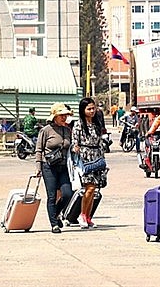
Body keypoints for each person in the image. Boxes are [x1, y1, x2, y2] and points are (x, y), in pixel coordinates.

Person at [35, 103, 73, 233]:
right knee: (52, 196)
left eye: (65, 115)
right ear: (54, 116)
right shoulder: (46, 130)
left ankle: (55, 214)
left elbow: (70, 146)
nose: (64, 118)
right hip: (49, 167)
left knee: (68, 194)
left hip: (63, 167)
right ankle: (54, 224)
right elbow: (39, 149)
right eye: (61, 115)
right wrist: (38, 166)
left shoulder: (67, 130)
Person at [72, 97, 108, 229]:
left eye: (93, 108)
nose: (92, 111)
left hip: (97, 156)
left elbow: (100, 142)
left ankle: (88, 216)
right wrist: (76, 150)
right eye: (89, 109)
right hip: (85, 157)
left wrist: (103, 160)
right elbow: (75, 141)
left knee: (94, 190)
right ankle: (82, 214)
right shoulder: (78, 124)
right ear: (83, 110)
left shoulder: (97, 123)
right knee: (89, 187)